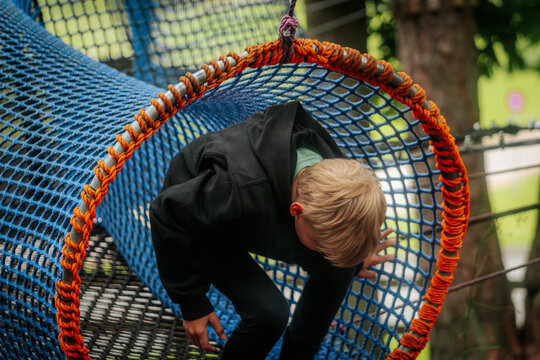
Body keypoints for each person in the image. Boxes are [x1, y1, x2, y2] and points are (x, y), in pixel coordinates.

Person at [150, 101, 395, 360]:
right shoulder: (234, 190)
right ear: (297, 211)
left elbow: (336, 231)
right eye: (322, 245)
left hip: (264, 209)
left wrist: (351, 255)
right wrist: (192, 303)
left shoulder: (335, 182)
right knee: (269, 315)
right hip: (205, 224)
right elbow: (165, 213)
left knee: (339, 267)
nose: (325, 252)